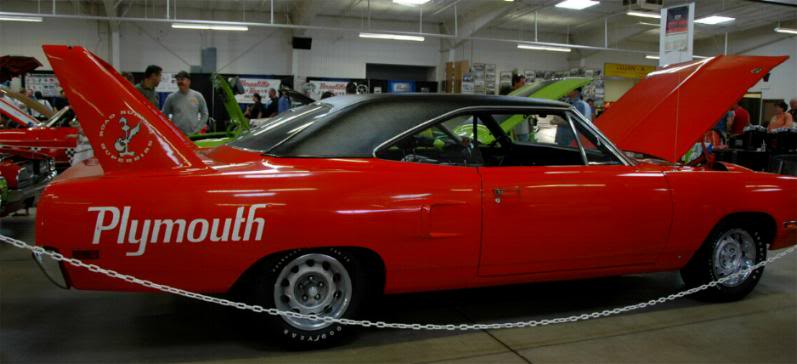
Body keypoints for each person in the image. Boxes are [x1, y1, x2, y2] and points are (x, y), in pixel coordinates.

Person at [161, 71, 209, 135]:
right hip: (177, 135)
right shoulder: (171, 97)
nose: (180, 82)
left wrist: (198, 129)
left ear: (189, 81)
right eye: (178, 80)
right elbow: (163, 115)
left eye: (182, 79)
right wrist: (170, 129)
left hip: (193, 135)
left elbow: (205, 114)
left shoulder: (198, 96)